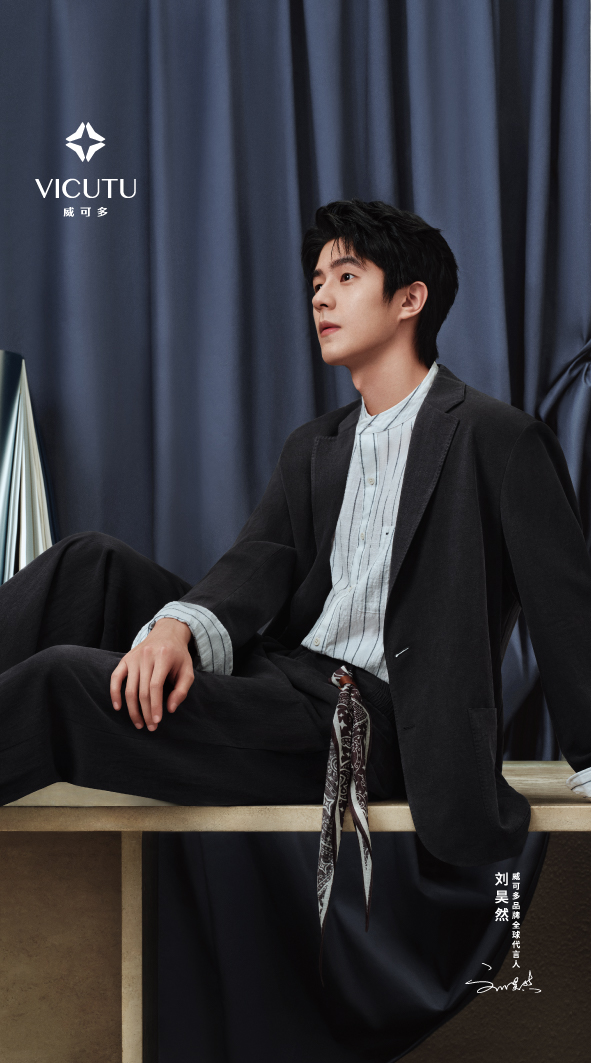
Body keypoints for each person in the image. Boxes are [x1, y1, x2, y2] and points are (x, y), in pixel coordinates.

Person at [2, 199, 591, 881]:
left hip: (371, 725)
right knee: (89, 564)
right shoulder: (316, 445)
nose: (320, 297)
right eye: (316, 281)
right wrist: (173, 627)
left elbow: (563, 606)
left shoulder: (498, 439)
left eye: (346, 277)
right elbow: (260, 559)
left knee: (62, 683)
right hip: (285, 673)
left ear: (410, 299)